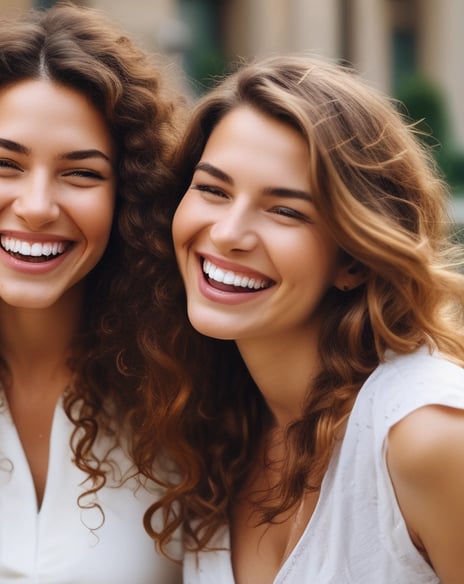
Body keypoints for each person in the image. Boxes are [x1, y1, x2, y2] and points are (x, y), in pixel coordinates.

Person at [0, 3, 189, 582]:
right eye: (4, 163)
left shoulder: (186, 387)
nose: (36, 206)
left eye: (81, 173)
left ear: (126, 194)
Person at [150, 54, 464, 583]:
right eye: (212, 189)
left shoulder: (426, 436)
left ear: (353, 259)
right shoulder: (212, 427)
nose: (227, 233)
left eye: (285, 210)